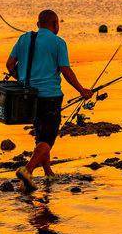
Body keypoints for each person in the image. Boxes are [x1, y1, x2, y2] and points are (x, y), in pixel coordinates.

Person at [6, 10, 92, 191]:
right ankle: (27, 170)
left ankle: (47, 171)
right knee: (48, 138)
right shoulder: (58, 43)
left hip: (27, 96)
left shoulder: (24, 39)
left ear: (38, 24)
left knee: (40, 133)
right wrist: (82, 90)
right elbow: (66, 71)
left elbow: (9, 64)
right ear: (55, 24)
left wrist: (21, 80)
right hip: (49, 97)